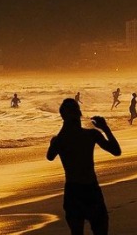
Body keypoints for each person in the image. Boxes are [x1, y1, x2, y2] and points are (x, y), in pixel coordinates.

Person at [46, 98, 121, 235]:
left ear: (63, 117)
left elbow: (50, 156)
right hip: (90, 189)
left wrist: (61, 131)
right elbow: (116, 151)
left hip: (73, 191)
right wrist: (105, 128)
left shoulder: (59, 140)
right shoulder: (91, 135)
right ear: (79, 114)